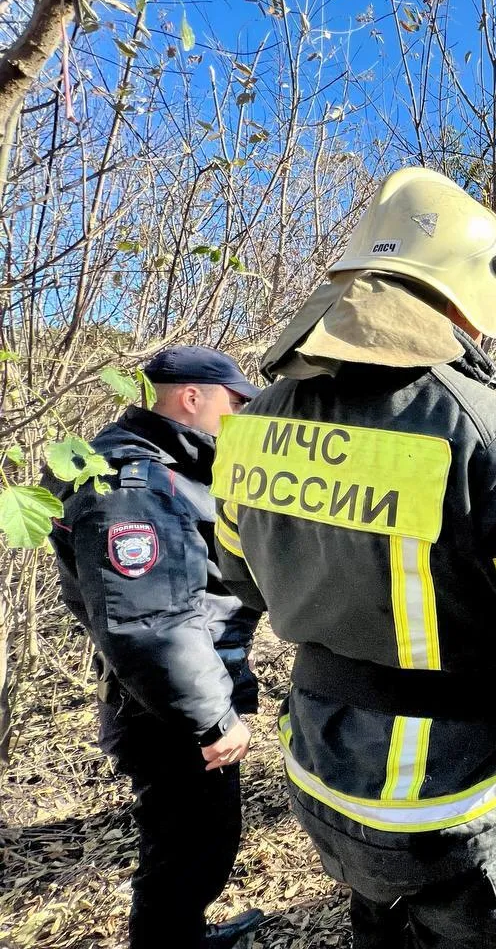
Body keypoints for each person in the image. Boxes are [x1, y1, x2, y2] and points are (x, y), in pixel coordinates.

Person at [209, 167, 496, 948]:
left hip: (326, 778)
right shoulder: (488, 433)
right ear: (465, 302)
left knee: (376, 925)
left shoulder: (253, 425)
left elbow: (240, 581)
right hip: (460, 807)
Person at [45, 346, 265, 949]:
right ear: (192, 397)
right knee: (188, 851)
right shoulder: (132, 482)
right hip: (168, 708)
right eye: (234, 400)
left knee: (190, 846)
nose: (240, 413)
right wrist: (212, 718)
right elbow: (150, 623)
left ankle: (181, 935)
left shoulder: (159, 466)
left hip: (170, 695)